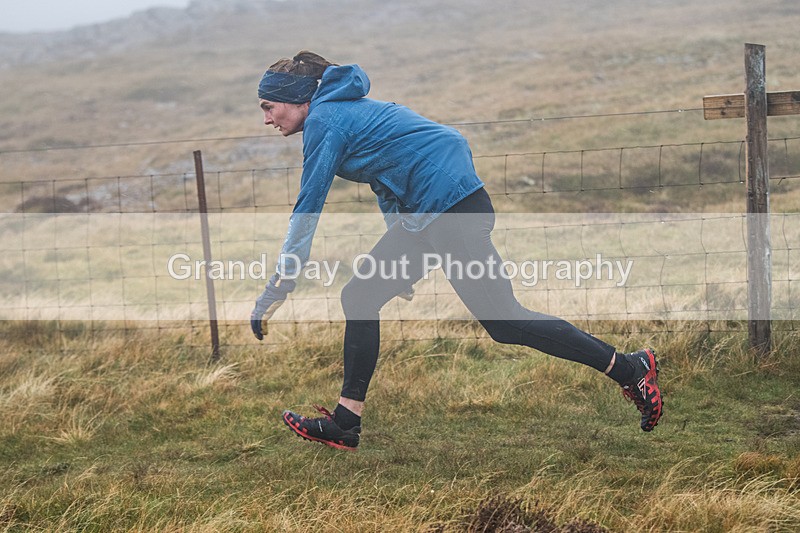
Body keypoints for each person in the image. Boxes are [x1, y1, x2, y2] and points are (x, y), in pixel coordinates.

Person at [250, 51, 663, 451]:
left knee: (504, 323)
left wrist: (280, 284)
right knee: (359, 295)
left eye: (270, 107)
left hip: (453, 211)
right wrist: (400, 249)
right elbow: (386, 176)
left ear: (297, 99)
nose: (266, 118)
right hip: (424, 216)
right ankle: (345, 422)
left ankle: (631, 368)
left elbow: (309, 205)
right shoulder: (337, 113)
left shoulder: (326, 119)